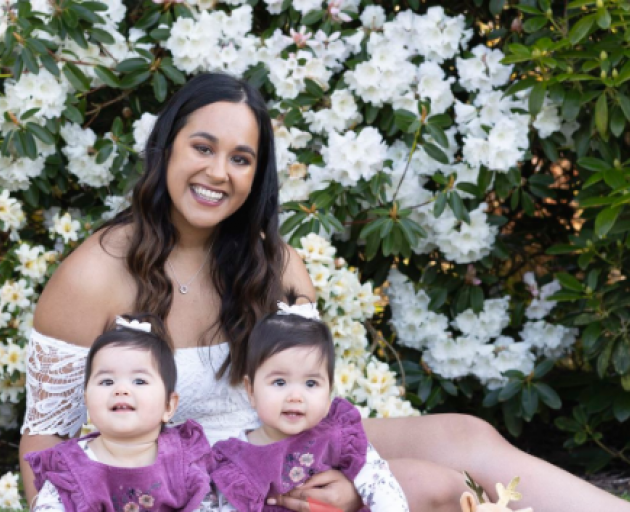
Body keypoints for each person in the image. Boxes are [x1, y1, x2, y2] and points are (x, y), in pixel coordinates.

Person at [19, 72, 630, 512]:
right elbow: (44, 439)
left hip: (281, 440)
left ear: (257, 176)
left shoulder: (272, 263)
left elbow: (310, 394)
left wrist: (339, 468)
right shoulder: (96, 273)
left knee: (463, 437)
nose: (217, 173)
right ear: (167, 148)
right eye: (202, 148)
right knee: (425, 485)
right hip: (185, 478)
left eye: (241, 158)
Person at [209, 299, 409, 511]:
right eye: (279, 382)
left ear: (328, 393)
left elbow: (380, 485)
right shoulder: (236, 458)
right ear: (251, 390)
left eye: (311, 383)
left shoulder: (337, 436)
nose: (295, 396)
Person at [24, 314, 215, 512]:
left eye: (139, 381)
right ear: (87, 400)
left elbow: (204, 505)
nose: (121, 389)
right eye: (107, 382)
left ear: (168, 405)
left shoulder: (183, 458)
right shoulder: (70, 465)